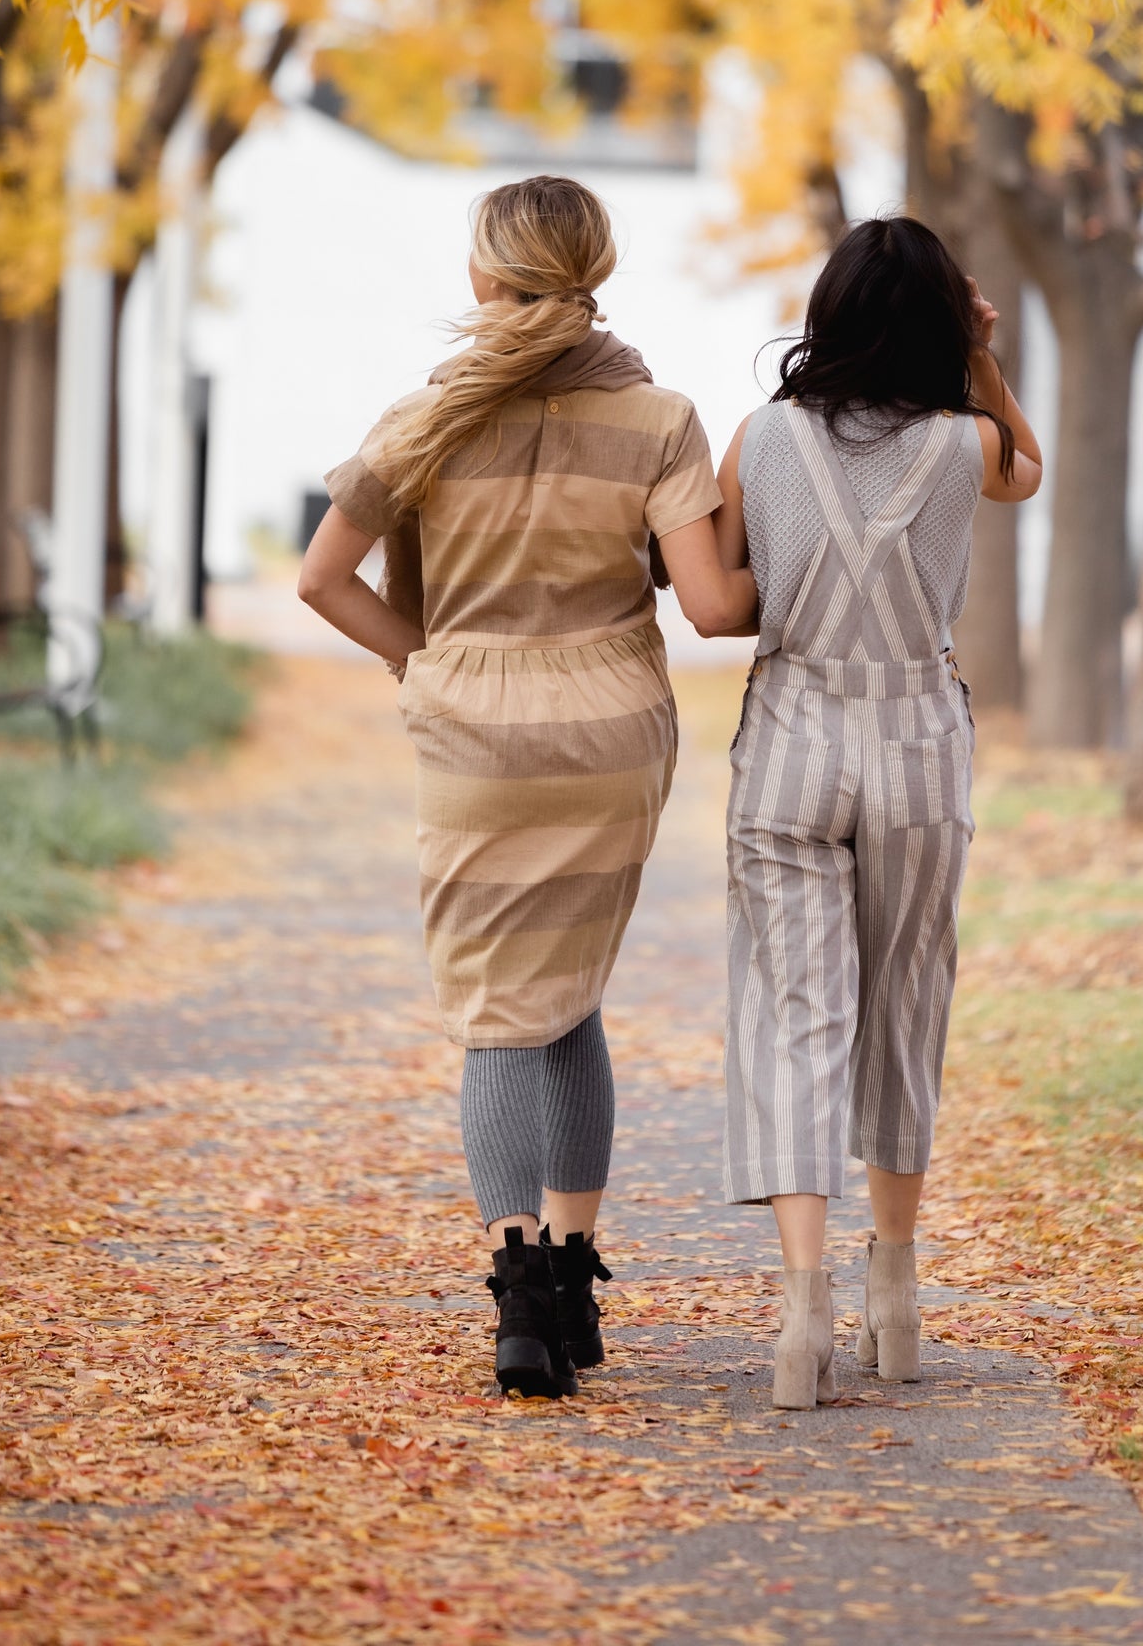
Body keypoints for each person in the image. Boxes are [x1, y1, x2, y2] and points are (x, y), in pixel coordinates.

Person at [299, 175, 757, 1399]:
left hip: (474, 733)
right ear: (595, 269)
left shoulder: (424, 419)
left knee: (499, 1007)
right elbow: (710, 595)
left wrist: (425, 657)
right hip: (610, 726)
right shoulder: (660, 419)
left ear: (479, 275)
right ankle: (572, 1269)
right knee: (569, 992)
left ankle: (517, 1293)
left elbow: (320, 578)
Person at [712, 215, 1042, 1410]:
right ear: (937, 327)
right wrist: (981, 355)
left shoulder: (759, 436)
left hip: (793, 737)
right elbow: (1028, 465)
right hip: (914, 743)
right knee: (903, 1000)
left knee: (797, 1011)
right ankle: (893, 1296)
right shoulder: (967, 444)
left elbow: (729, 580)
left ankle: (802, 1309)